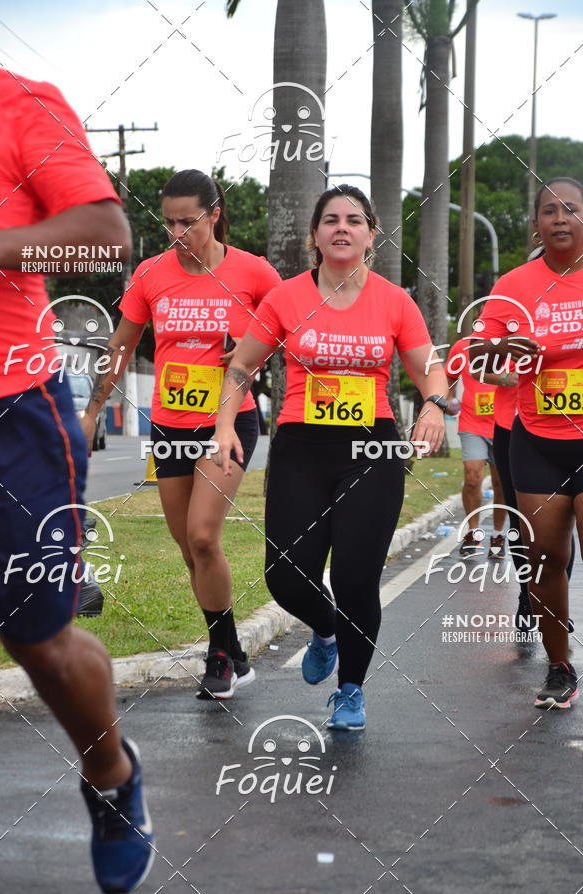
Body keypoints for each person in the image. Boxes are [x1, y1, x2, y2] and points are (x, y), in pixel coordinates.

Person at [0, 66, 153, 894]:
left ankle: (112, 776)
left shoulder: (16, 102)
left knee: (41, 642)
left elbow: (105, 237)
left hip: (6, 411)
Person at [213, 185, 447, 730]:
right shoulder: (287, 298)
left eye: (354, 220)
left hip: (372, 448)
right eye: (331, 220)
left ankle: (350, 691)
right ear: (315, 235)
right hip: (301, 447)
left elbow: (429, 367)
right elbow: (241, 367)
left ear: (371, 233)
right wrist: (225, 425)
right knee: (285, 575)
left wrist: (434, 406)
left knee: (356, 577)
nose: (342, 228)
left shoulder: (394, 300)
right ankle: (325, 630)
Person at [81, 169, 280, 701]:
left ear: (214, 215)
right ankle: (233, 648)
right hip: (170, 421)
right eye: (168, 222)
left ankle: (218, 659)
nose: (176, 232)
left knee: (202, 535)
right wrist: (94, 409)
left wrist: (252, 343)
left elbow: (294, 327)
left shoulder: (254, 272)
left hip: (228, 422)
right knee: (189, 551)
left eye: (187, 222)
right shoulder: (150, 275)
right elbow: (122, 346)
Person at [470, 176, 583, 709]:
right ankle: (560, 667)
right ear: (535, 224)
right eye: (548, 211)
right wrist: (515, 360)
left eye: (571, 209)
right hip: (536, 437)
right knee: (544, 554)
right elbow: (481, 363)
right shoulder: (513, 285)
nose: (560, 218)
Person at [444, 337, 507, 557]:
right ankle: (473, 532)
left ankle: (498, 535)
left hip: (504, 422)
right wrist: (449, 399)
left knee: (501, 484)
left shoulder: (514, 346)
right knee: (472, 477)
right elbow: (450, 375)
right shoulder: (462, 346)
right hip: (472, 423)